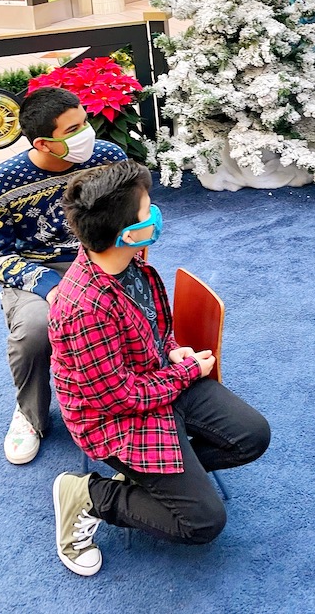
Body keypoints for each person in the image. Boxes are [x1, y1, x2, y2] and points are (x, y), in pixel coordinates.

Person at [48, 160, 271, 576]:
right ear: (127, 232)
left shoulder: (125, 258)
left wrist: (171, 351)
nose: (156, 212)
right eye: (148, 208)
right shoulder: (84, 308)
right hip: (114, 415)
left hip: (155, 378)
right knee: (202, 522)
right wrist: (187, 372)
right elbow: (120, 398)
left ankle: (160, 481)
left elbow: (151, 325)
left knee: (252, 437)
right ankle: (89, 495)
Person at [0, 87, 126, 465]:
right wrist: (54, 288)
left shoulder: (110, 160)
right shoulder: (4, 181)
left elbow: (129, 220)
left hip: (100, 260)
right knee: (34, 330)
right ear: (44, 142)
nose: (87, 133)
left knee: (134, 313)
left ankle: (135, 396)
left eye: (85, 121)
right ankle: (30, 415)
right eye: (74, 128)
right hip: (36, 274)